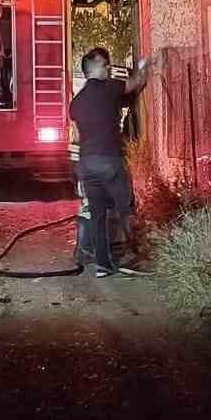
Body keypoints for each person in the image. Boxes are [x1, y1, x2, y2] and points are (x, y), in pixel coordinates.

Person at [69, 45, 151, 276]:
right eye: (106, 65)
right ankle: (132, 258)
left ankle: (103, 266)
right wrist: (144, 66)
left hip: (87, 164)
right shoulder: (109, 88)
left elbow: (76, 137)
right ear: (95, 68)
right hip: (110, 160)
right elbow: (136, 83)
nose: (108, 69)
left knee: (97, 215)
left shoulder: (75, 103)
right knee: (125, 209)